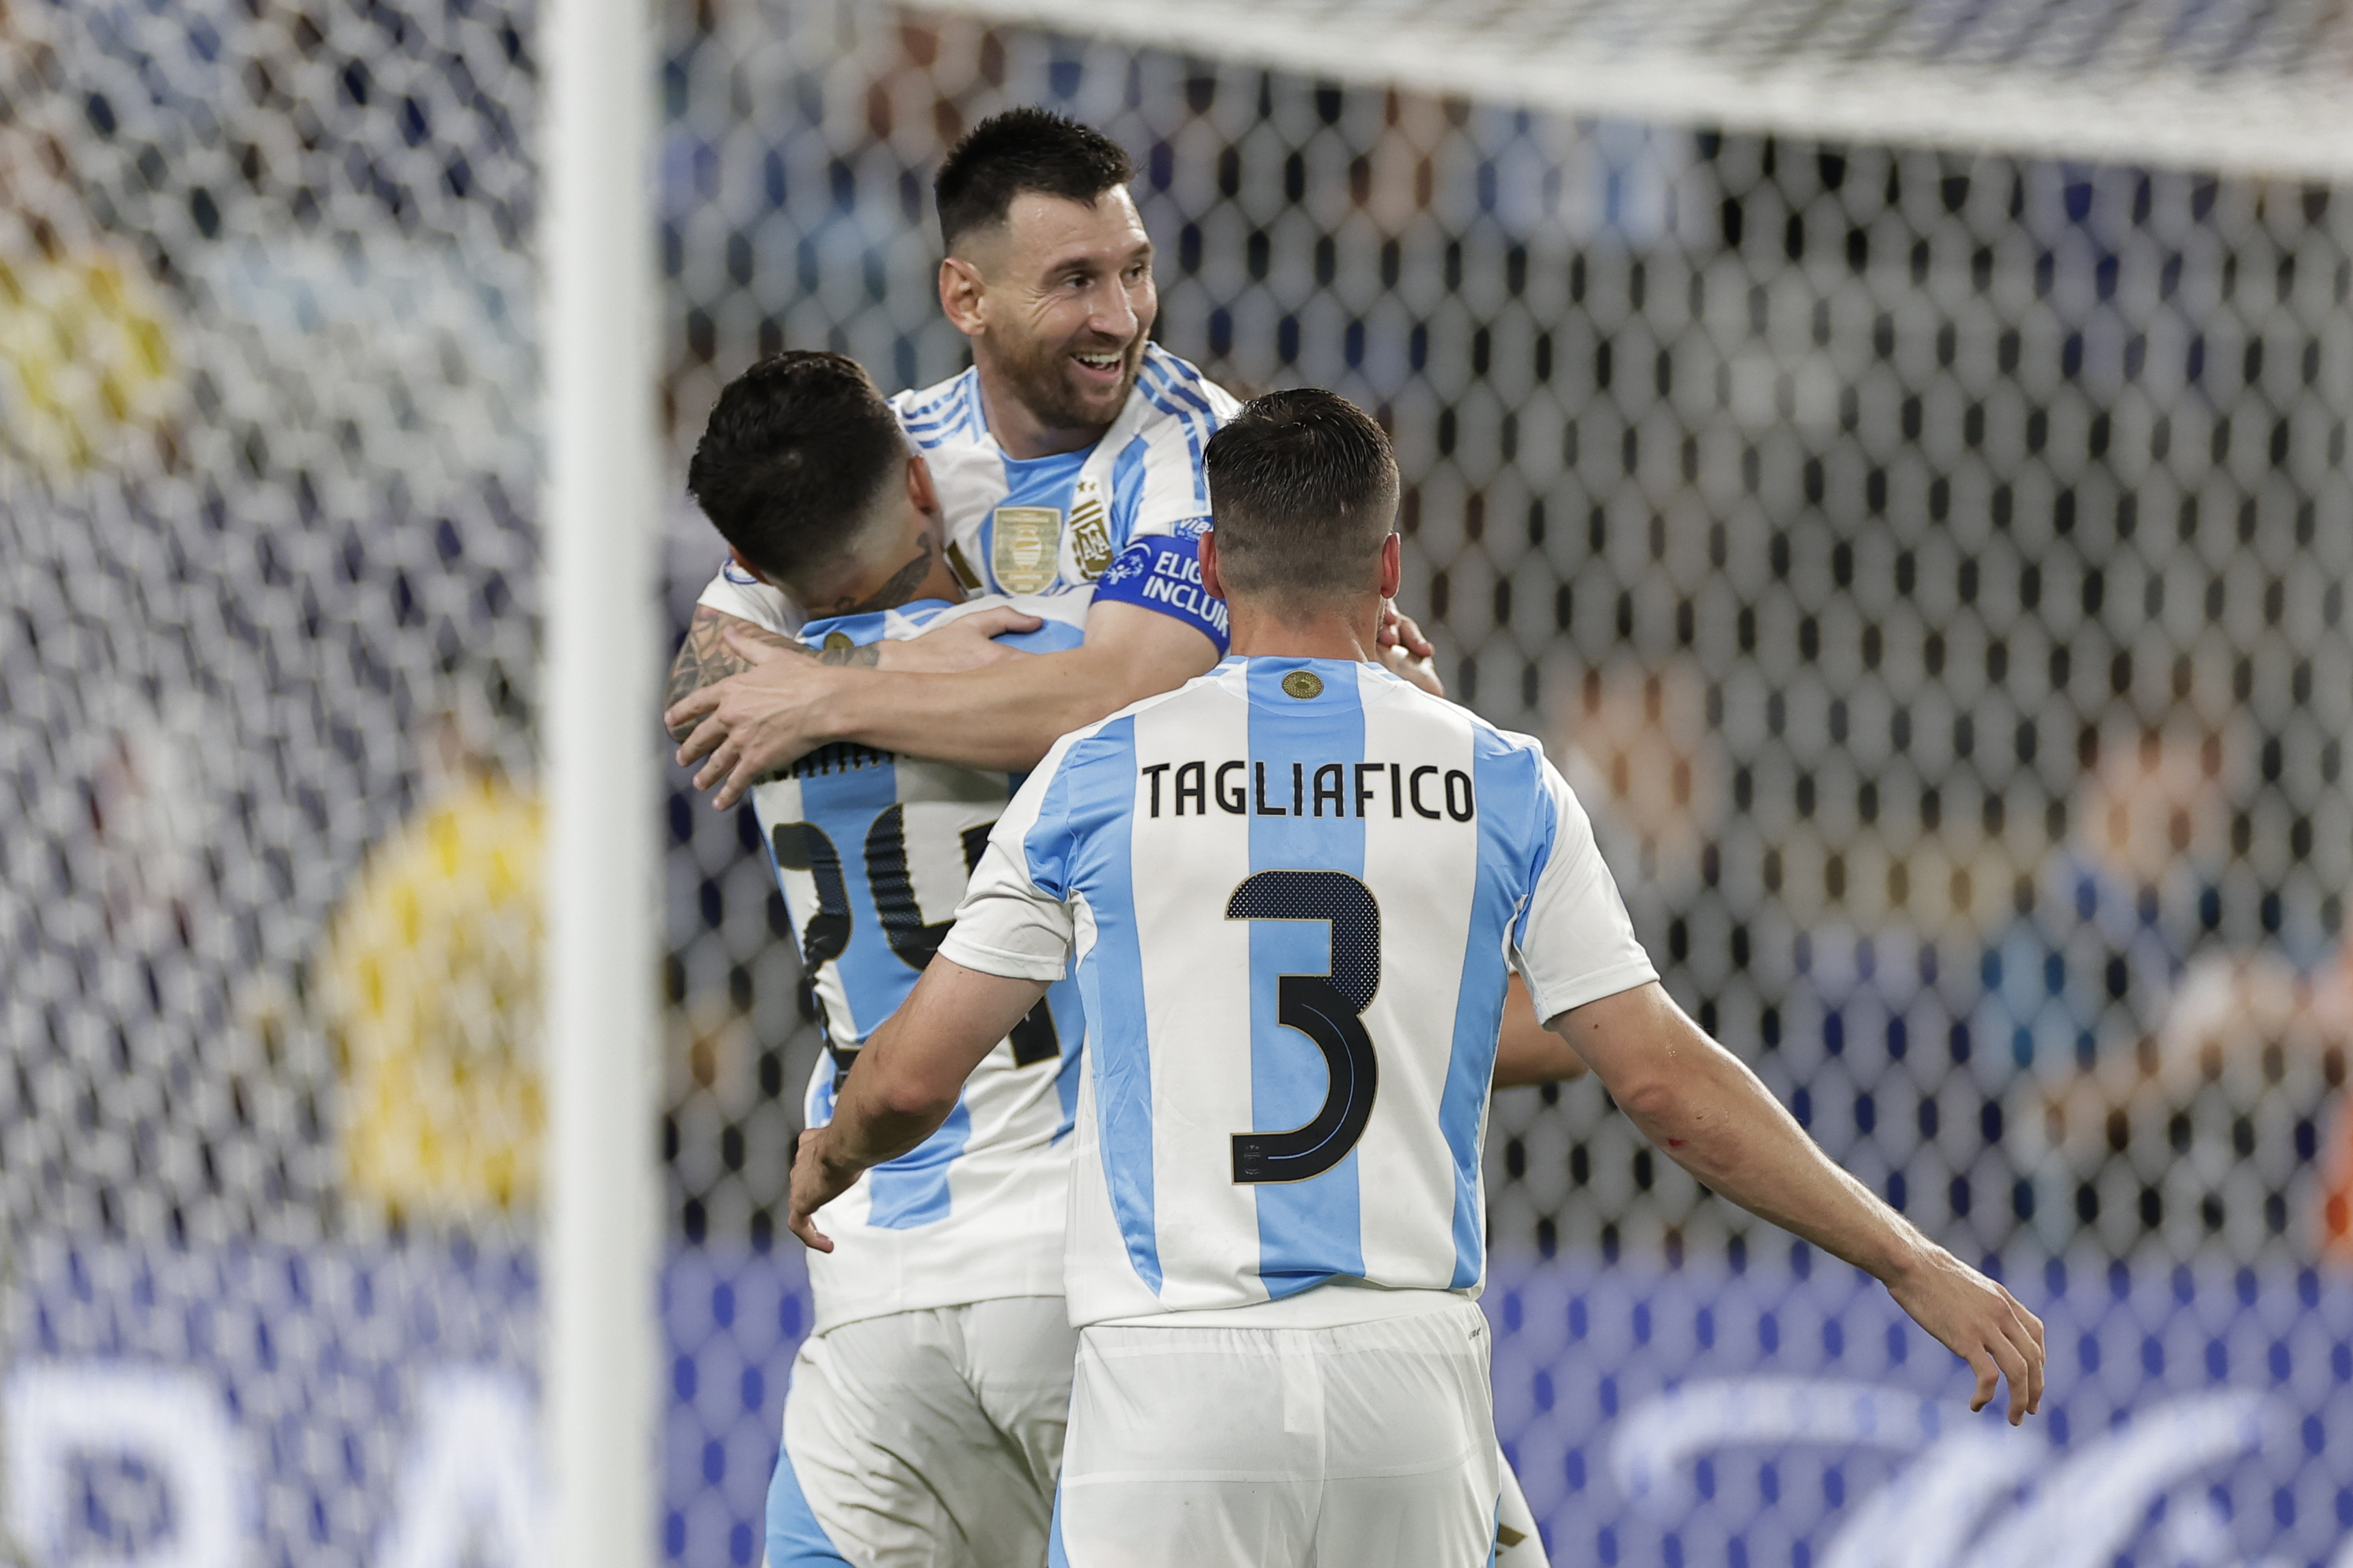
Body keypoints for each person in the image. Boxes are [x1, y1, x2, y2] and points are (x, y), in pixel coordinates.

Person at [789, 389, 2048, 1567]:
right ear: (1387, 567)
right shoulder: (1497, 781)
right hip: (1405, 1373)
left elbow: (910, 1077)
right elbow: (1664, 1087)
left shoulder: (1093, 774)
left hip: (1168, 1376)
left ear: (1213, 567)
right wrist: (1903, 1258)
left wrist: (836, 1150)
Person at [683, 353, 1575, 1568]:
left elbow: (704, 672)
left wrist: (849, 677)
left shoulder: (753, 692)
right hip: (1083, 1256)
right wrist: (1380, 678)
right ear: (916, 477)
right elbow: (1191, 676)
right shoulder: (1069, 669)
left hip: (876, 1273)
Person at [662, 105, 1436, 794]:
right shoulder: (891, 447)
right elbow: (705, 680)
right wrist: (918, 656)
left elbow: (1117, 698)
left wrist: (827, 692)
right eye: (1075, 281)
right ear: (966, 297)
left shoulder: (1203, 444)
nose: (1121, 319)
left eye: (1134, 271)